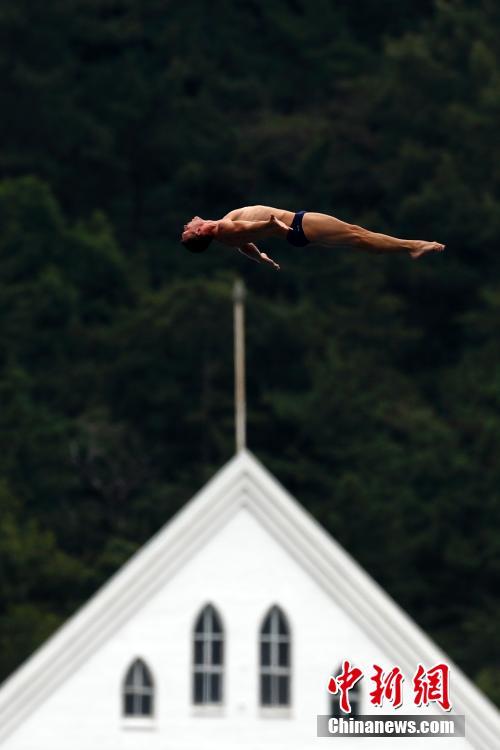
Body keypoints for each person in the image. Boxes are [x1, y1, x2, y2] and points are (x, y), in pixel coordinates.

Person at [181, 205, 445, 271]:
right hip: (298, 224)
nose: (189, 222)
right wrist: (273, 225)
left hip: (297, 231)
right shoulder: (224, 229)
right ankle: (413, 246)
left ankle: (410, 246)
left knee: (361, 240)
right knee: (357, 234)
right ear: (200, 232)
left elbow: (244, 242)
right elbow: (249, 230)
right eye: (188, 228)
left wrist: (260, 257)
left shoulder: (223, 233)